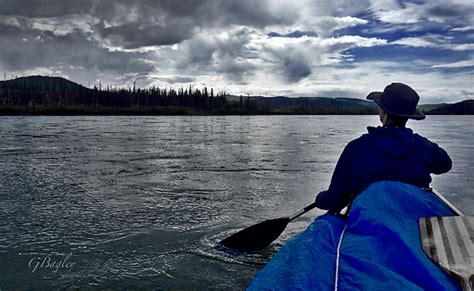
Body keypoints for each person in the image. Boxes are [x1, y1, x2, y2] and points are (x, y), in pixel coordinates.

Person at [315, 83, 452, 213]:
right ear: (408, 117)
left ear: (383, 112)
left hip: (368, 219)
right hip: (415, 217)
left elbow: (334, 200)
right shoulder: (423, 146)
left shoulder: (356, 148)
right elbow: (445, 165)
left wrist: (320, 199)